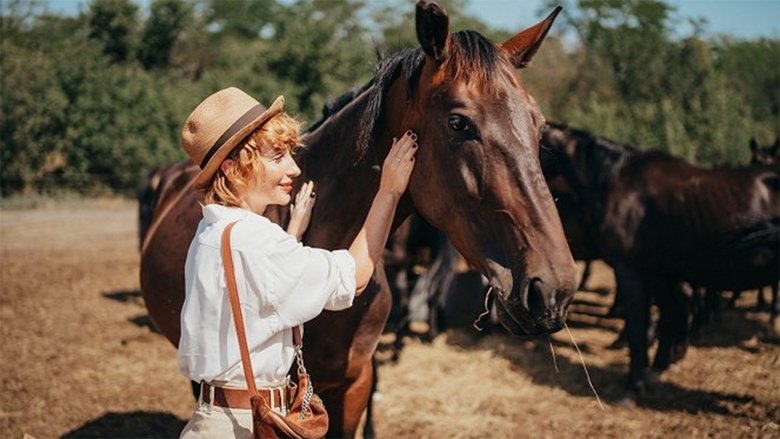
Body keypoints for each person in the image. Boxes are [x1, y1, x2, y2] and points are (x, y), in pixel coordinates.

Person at [176, 87, 417, 438]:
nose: (293, 167)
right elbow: (356, 276)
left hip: (214, 419)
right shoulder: (257, 240)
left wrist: (290, 235)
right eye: (277, 157)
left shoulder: (213, 231)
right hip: (248, 427)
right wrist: (389, 192)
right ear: (233, 168)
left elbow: (252, 290)